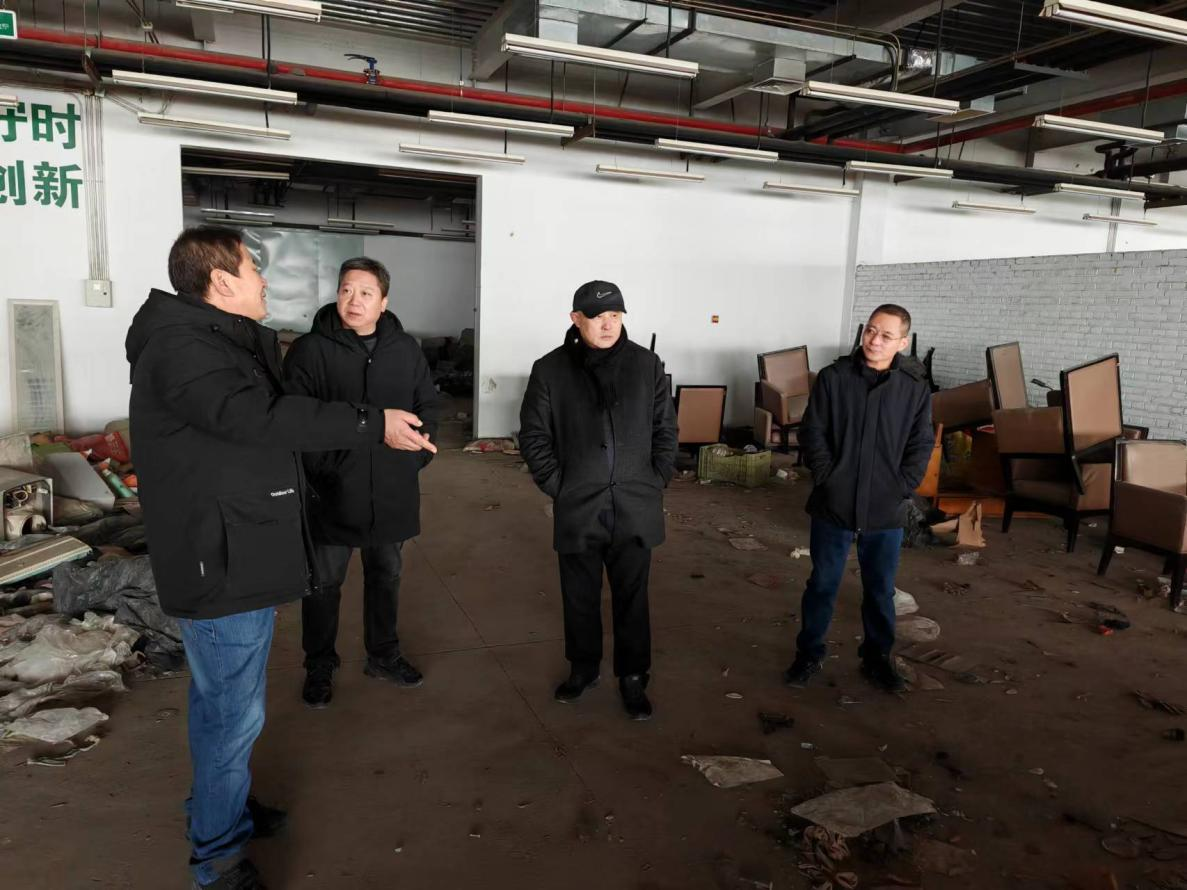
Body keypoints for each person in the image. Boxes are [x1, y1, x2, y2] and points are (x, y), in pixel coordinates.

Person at [126, 226, 435, 890]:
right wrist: (371, 423)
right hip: (220, 561)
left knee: (221, 705)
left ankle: (222, 810)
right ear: (221, 281)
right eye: (253, 268)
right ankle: (217, 860)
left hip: (235, 548)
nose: (264, 280)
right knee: (233, 717)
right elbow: (263, 418)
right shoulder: (185, 347)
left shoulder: (212, 340)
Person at [284, 257, 442, 707]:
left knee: (386, 575)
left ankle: (383, 655)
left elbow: (428, 407)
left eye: (366, 293)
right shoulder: (311, 351)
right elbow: (296, 419)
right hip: (333, 493)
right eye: (347, 290)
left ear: (384, 301)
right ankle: (319, 664)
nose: (354, 301)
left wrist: (412, 461)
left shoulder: (405, 350)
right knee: (323, 584)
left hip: (392, 491)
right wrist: (328, 468)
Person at [519, 280, 678, 720]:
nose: (608, 325)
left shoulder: (646, 365)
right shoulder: (551, 369)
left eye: (615, 316)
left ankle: (633, 676)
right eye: (596, 317)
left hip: (635, 504)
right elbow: (533, 435)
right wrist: (559, 485)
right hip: (579, 505)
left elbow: (666, 428)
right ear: (576, 319)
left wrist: (657, 477)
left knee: (633, 596)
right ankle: (584, 668)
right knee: (579, 595)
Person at [784, 304, 933, 693]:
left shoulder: (913, 388)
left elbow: (921, 443)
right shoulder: (834, 378)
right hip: (833, 504)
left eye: (886, 335)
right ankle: (809, 653)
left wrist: (902, 486)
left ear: (902, 343)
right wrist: (828, 477)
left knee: (880, 588)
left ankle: (877, 658)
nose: (874, 340)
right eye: (870, 330)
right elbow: (812, 431)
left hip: (886, 507)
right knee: (823, 583)